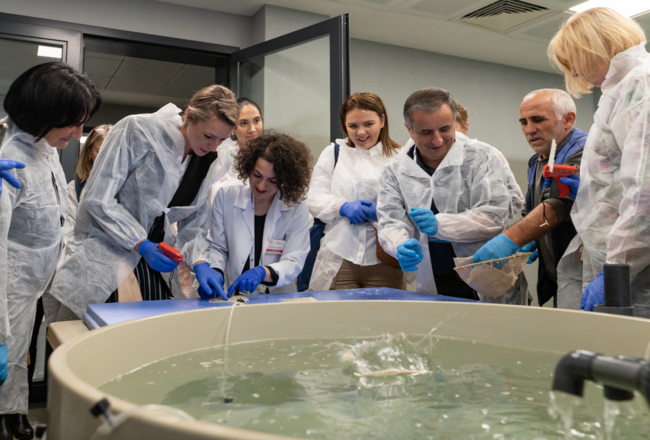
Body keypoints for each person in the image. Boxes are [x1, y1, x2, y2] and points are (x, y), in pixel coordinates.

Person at [45, 85, 238, 321]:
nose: (213, 146)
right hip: (107, 254)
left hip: (154, 262)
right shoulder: (137, 129)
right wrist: (140, 243)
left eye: (222, 139)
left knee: (148, 339)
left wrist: (201, 262)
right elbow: (98, 198)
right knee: (96, 340)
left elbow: (194, 223)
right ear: (189, 116)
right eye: (209, 136)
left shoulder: (208, 159)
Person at [0, 62, 101, 440]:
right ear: (41, 115)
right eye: (71, 124)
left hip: (41, 279)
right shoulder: (10, 165)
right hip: (11, 284)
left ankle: (15, 413)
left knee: (22, 355)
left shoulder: (45, 149)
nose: (78, 134)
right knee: (8, 355)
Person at [377, 87, 527, 304]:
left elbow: (494, 217)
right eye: (426, 132)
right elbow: (390, 222)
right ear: (409, 129)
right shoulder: (395, 171)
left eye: (445, 129)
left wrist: (440, 225)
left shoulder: (482, 157)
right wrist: (399, 244)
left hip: (488, 277)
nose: (437, 140)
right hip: (433, 280)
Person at [547, 7, 650, 315]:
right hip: (625, 261)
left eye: (573, 60)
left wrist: (616, 270)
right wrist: (594, 190)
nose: (574, 73)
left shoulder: (639, 86)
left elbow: (645, 192)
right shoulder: (620, 92)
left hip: (633, 266)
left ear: (595, 45)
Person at [471, 89, 586, 307]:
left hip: (587, 273)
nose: (529, 129)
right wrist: (533, 238)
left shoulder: (586, 151)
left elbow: (556, 207)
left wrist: (509, 239)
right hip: (560, 277)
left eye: (538, 120)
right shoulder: (536, 162)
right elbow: (534, 207)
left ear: (568, 119)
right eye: (523, 122)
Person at [186, 131, 312, 299]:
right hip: (231, 294)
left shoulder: (295, 206)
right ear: (248, 168)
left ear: (286, 180)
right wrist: (214, 271)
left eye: (272, 180)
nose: (261, 185)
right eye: (257, 175)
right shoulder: (226, 195)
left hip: (276, 296)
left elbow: (294, 260)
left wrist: (263, 272)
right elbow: (218, 247)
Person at [308, 92, 404, 291]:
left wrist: (380, 211)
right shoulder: (334, 153)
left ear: (382, 120)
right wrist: (342, 207)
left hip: (385, 258)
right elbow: (314, 198)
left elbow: (410, 205)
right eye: (353, 126)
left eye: (368, 124)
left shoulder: (400, 157)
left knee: (386, 320)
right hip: (339, 256)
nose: (361, 132)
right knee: (338, 319)